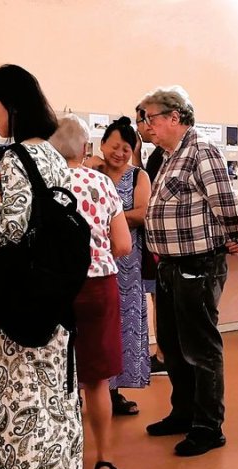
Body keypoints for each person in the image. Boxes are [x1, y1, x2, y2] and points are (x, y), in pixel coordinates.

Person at [0, 64, 80, 469]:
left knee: (15, 411)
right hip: (54, 309)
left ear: (11, 106)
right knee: (51, 411)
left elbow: (11, 235)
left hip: (16, 313)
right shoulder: (56, 156)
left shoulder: (15, 158)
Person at [140, 86, 238, 456]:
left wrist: (234, 236)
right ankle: (183, 412)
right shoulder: (168, 156)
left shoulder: (201, 152)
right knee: (171, 345)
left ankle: (207, 426)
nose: (146, 124)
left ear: (175, 117)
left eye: (150, 117)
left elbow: (226, 202)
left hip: (198, 265)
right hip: (170, 266)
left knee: (200, 348)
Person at [49, 114, 131, 469]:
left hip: (54, 289)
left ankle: (57, 461)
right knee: (96, 379)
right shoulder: (101, 183)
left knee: (55, 379)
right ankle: (104, 460)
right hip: (98, 285)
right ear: (86, 149)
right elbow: (124, 245)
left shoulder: (44, 184)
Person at [100, 117, 152, 416]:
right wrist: (121, 216)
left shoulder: (138, 177)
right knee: (93, 323)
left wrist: (108, 218)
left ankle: (114, 391)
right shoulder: (92, 171)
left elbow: (144, 213)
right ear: (103, 144)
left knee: (123, 324)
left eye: (127, 148)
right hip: (95, 260)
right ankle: (88, 390)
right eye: (115, 146)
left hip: (128, 262)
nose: (120, 153)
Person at [133, 104, 167, 375]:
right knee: (159, 296)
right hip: (155, 241)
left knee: (160, 297)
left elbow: (145, 192)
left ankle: (164, 354)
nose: (140, 127)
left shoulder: (158, 157)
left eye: (141, 121)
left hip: (159, 242)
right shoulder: (156, 156)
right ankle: (164, 352)